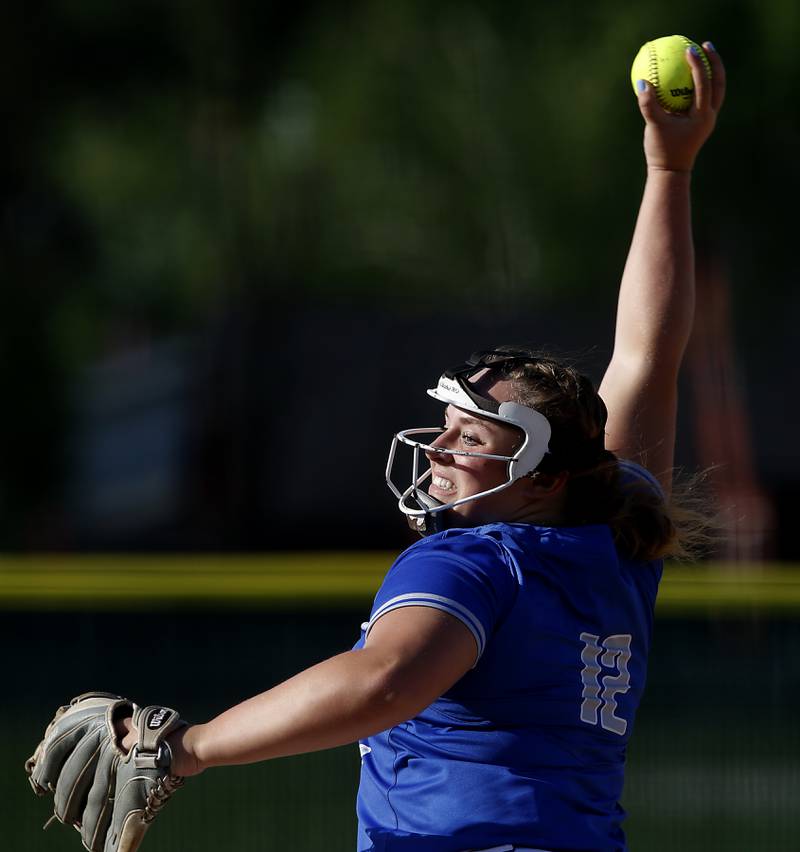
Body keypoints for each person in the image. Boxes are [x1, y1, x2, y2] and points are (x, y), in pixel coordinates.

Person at [117, 43, 725, 852]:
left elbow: (386, 681)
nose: (438, 446)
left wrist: (185, 749)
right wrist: (670, 171)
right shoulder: (612, 536)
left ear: (540, 479)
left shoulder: (476, 561)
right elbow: (649, 352)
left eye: (471, 435)